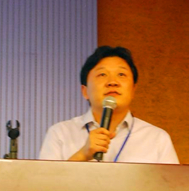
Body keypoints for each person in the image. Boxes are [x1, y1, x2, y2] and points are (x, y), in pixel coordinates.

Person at [39, 46, 179, 164]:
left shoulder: (156, 138)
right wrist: (82, 155)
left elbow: (172, 186)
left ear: (133, 90)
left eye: (121, 74)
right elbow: (43, 185)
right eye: (102, 75)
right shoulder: (60, 133)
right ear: (85, 91)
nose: (112, 82)